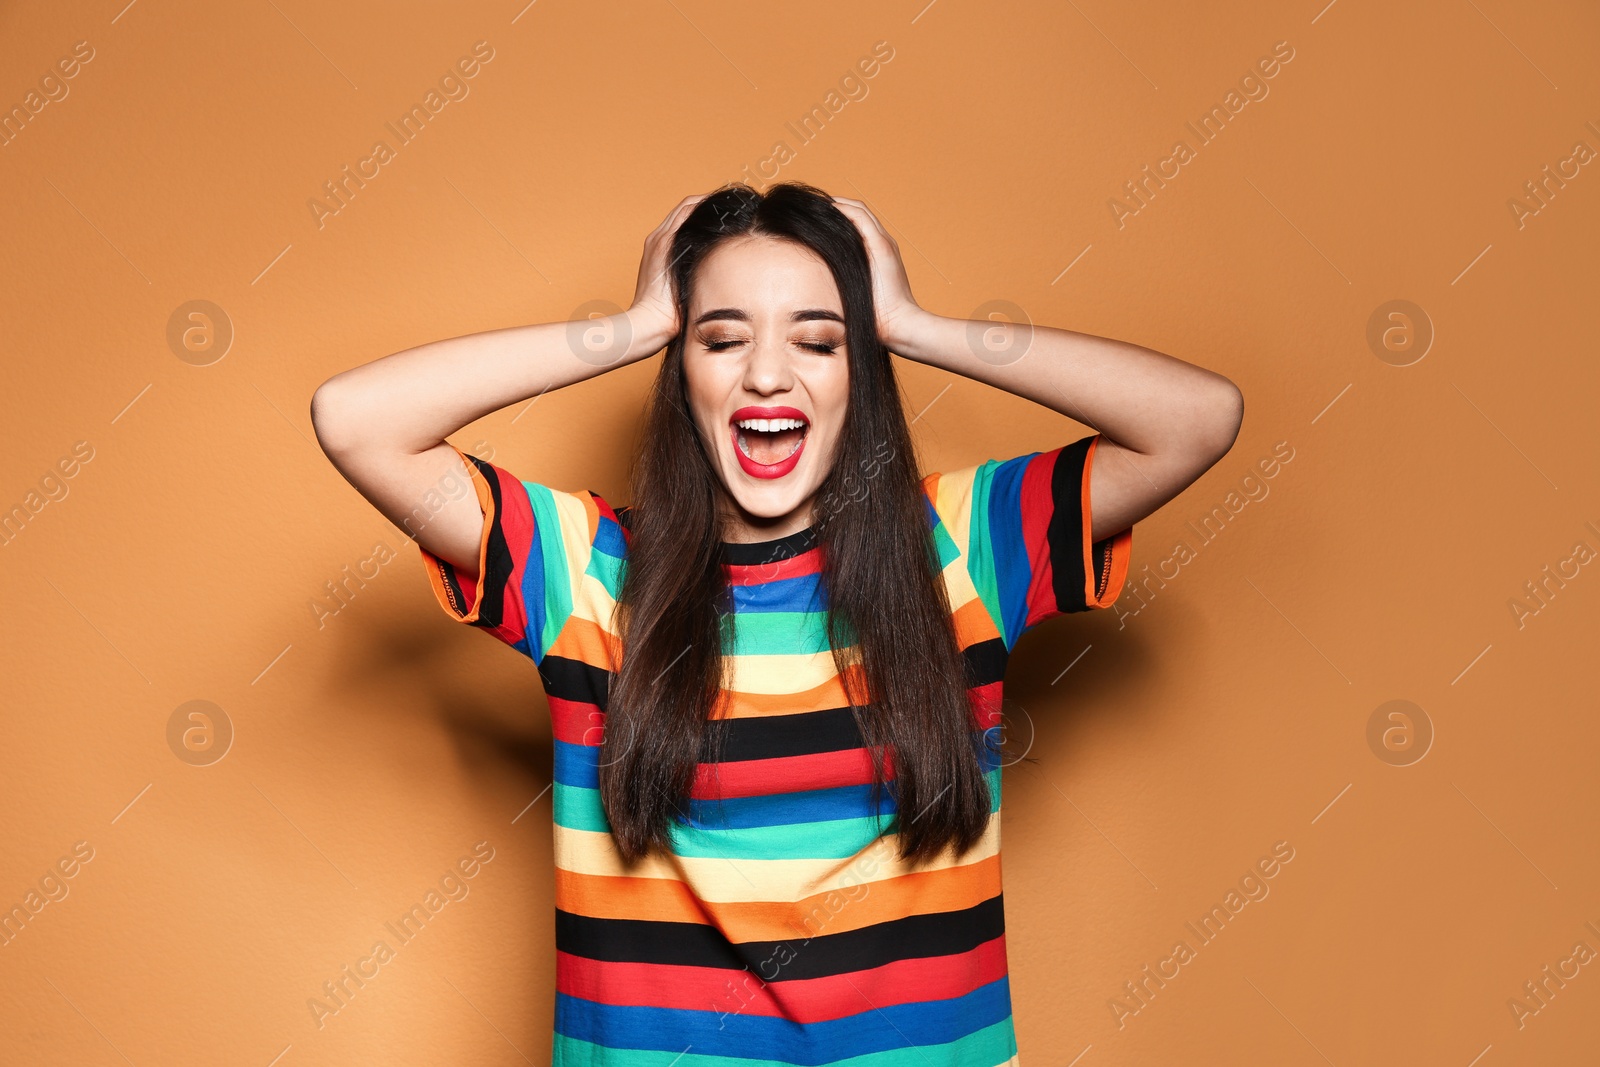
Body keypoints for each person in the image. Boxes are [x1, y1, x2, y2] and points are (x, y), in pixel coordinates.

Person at [310, 181, 1242, 1065]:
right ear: (680, 373)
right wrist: (632, 325)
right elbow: (355, 419)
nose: (765, 373)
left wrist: (915, 326)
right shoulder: (588, 575)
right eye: (720, 340)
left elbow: (1199, 418)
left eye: (820, 342)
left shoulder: (960, 551)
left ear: (860, 373)